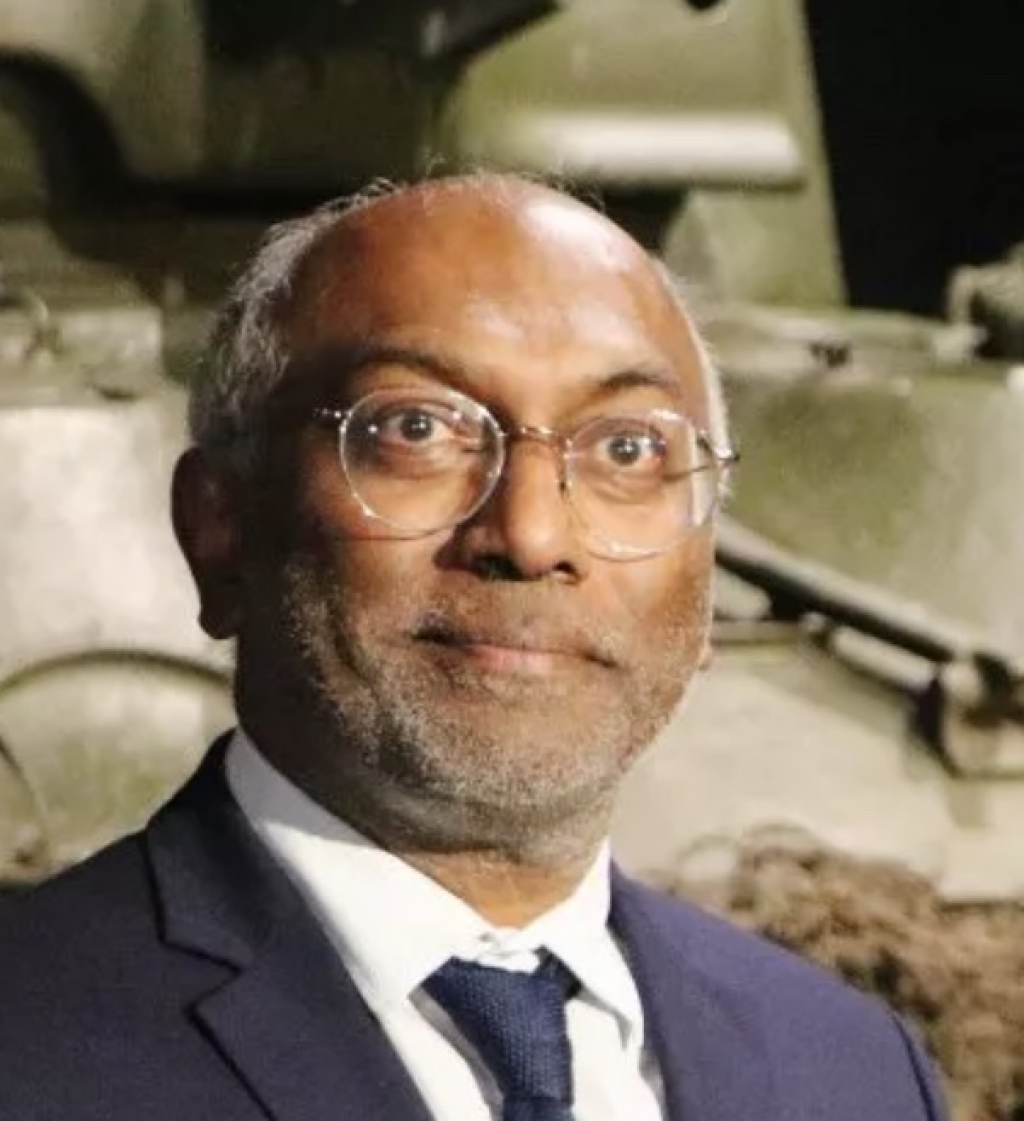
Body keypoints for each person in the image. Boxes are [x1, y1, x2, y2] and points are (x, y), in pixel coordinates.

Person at [0, 173, 948, 1120]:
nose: (532, 536)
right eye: (416, 429)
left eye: (627, 449)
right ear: (220, 530)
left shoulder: (855, 1073)